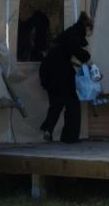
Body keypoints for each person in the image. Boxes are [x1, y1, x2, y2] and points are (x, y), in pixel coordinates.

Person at [38, 11, 94, 143]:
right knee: (72, 104)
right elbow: (74, 48)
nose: (90, 34)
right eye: (90, 30)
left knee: (56, 103)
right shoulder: (75, 33)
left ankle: (48, 129)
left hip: (49, 70)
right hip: (60, 72)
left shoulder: (68, 33)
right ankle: (70, 137)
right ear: (87, 27)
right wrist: (88, 59)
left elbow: (65, 51)